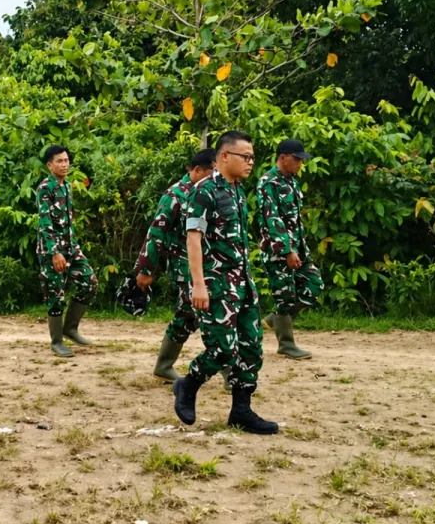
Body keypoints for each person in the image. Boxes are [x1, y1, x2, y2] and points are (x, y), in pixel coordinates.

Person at [173, 131, 278, 435]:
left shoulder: (237, 191)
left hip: (242, 282)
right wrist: (198, 285)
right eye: (245, 156)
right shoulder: (205, 191)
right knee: (221, 349)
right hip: (216, 283)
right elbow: (193, 239)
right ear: (223, 157)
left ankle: (241, 411)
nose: (250, 162)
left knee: (250, 348)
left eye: (252, 157)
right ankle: (188, 384)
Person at [135, 149, 215, 382]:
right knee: (201, 315)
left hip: (207, 265)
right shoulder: (175, 195)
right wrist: (146, 269)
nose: (214, 178)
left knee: (189, 315)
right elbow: (156, 232)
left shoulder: (210, 192)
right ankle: (229, 373)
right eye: (211, 173)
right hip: (183, 267)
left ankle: (164, 365)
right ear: (197, 170)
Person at [257, 139, 323, 359]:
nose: (300, 164)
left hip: (298, 248)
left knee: (314, 285)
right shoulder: (268, 183)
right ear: (283, 157)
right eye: (297, 159)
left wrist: (298, 248)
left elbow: (294, 219)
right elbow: (272, 219)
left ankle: (276, 318)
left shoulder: (291, 181)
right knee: (285, 297)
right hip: (278, 251)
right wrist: (286, 251)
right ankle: (286, 344)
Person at [36, 145, 97, 358]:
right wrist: (54, 252)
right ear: (49, 165)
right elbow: (44, 223)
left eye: (66, 160)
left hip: (71, 247)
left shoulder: (67, 186)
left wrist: (72, 246)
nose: (64, 164)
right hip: (51, 251)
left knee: (89, 282)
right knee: (55, 294)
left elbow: (68, 220)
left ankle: (70, 328)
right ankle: (57, 341)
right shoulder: (46, 187)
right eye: (59, 161)